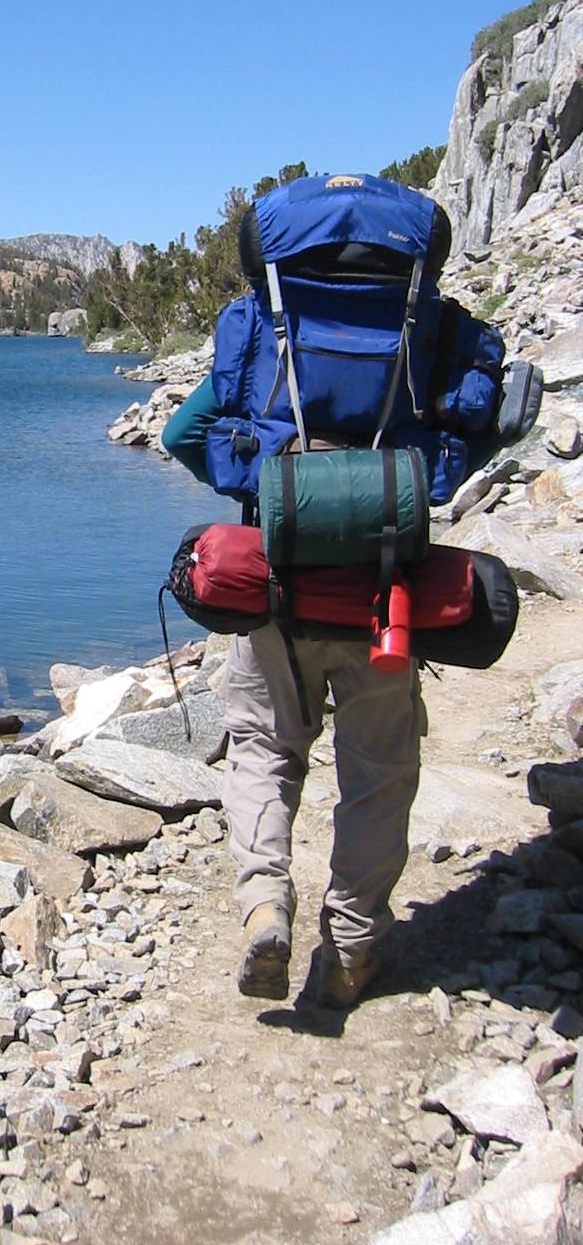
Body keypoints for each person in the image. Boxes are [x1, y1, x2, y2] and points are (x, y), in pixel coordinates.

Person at [161, 371, 499, 1009]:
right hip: (387, 600)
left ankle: (264, 904)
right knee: (378, 773)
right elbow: (463, 454)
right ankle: (348, 950)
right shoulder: (420, 329)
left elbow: (181, 435)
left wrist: (264, 483)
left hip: (275, 591)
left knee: (263, 747)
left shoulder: (273, 321)